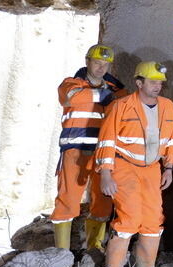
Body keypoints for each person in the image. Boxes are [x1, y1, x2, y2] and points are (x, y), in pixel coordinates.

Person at [96, 61, 173, 267]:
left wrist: (169, 167)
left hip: (152, 168)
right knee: (130, 216)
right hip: (124, 165)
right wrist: (105, 173)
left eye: (160, 82)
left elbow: (171, 140)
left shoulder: (168, 106)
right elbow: (107, 140)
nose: (157, 86)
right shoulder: (120, 106)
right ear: (139, 82)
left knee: (153, 218)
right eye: (152, 82)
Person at [52, 44, 125, 251]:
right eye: (97, 63)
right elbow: (73, 98)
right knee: (67, 200)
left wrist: (110, 91)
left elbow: (124, 101)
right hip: (74, 151)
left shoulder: (113, 89)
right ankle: (62, 253)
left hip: (102, 153)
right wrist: (105, 95)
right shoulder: (70, 83)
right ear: (87, 62)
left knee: (103, 200)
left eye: (105, 65)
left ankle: (94, 248)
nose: (101, 68)